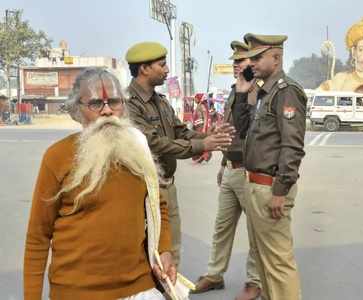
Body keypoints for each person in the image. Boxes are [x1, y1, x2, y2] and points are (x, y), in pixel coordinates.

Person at [24, 68, 176, 300]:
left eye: (114, 102)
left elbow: (158, 207)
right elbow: (38, 237)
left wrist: (164, 250)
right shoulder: (57, 156)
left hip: (140, 289)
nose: (107, 111)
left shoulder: (139, 149)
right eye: (96, 104)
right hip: (77, 293)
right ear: (77, 110)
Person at [125, 41, 233, 265]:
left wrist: (208, 136)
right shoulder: (129, 105)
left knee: (171, 249)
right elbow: (153, 144)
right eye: (162, 65)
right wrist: (202, 146)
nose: (166, 70)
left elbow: (181, 131)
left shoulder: (160, 101)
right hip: (141, 188)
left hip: (166, 186)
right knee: (145, 252)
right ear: (144, 69)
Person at [233, 33, 307, 300]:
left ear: (275, 58)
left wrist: (280, 191)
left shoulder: (286, 92)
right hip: (253, 183)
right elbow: (241, 130)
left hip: (270, 188)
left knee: (277, 261)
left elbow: (292, 146)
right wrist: (242, 95)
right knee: (263, 258)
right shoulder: (263, 92)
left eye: (256, 57)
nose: (250, 62)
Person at [192, 40, 261, 300]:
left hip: (249, 170)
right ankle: (214, 274)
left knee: (255, 230)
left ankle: (255, 280)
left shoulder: (258, 93)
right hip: (232, 168)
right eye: (233, 62)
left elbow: (253, 135)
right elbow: (231, 130)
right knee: (222, 226)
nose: (235, 66)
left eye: (240, 62)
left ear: (252, 64)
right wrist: (223, 163)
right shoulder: (235, 91)